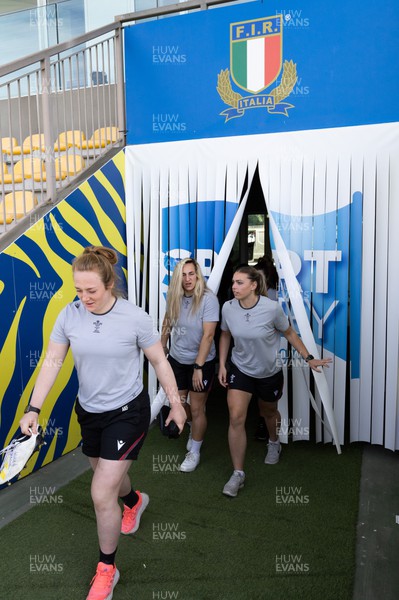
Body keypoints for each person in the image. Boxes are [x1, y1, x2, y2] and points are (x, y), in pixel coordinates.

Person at [19, 246, 186, 600]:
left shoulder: (134, 318)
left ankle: (107, 568)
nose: (84, 298)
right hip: (90, 412)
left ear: (109, 284)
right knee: (110, 477)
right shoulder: (70, 315)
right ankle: (135, 501)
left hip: (128, 412)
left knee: (100, 491)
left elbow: (159, 362)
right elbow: (51, 362)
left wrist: (177, 404)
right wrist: (34, 408)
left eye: (91, 290)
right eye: (78, 290)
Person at [218, 265, 331, 498]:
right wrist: (221, 364)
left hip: (268, 372)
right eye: (233, 282)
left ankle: (273, 442)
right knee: (236, 416)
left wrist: (308, 358)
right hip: (240, 369)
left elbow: (289, 333)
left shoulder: (271, 309)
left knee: (268, 412)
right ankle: (238, 473)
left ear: (254, 285)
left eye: (239, 282)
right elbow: (226, 334)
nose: (234, 287)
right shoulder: (228, 308)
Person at [161, 258, 219, 473]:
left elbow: (209, 335)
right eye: (183, 275)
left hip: (200, 362)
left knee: (197, 407)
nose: (187, 279)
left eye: (191, 274)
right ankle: (193, 428)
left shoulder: (208, 299)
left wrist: (198, 366)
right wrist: (162, 345)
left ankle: (194, 450)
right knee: (180, 403)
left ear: (198, 275)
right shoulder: (174, 295)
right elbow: (167, 320)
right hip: (177, 359)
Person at [254, 253, 280, 440]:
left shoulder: (273, 298)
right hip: (254, 355)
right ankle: (263, 423)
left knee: (267, 401)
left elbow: (286, 330)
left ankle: (268, 430)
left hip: (269, 355)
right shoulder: (250, 299)